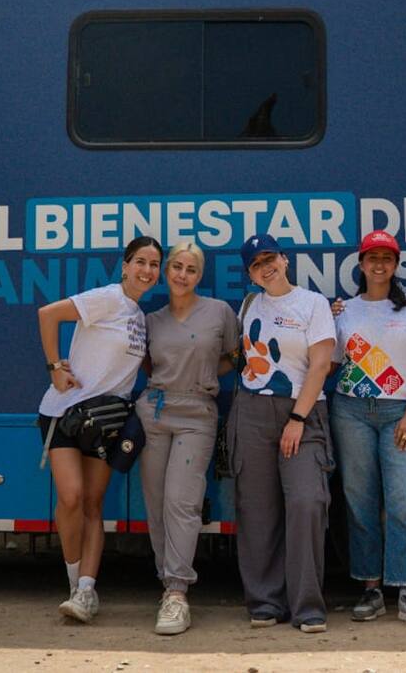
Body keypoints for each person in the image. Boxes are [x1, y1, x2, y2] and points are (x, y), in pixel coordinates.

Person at [36, 235, 162, 622]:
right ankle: (74, 580)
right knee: (71, 496)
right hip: (64, 412)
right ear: (125, 266)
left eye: (154, 265)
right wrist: (55, 367)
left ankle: (86, 592)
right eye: (140, 262)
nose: (147, 270)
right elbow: (47, 314)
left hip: (107, 420)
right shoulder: (108, 298)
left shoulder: (139, 317)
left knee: (93, 503)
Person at [330, 230, 406, 626]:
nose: (379, 264)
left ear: (395, 265)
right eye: (372, 258)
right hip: (351, 411)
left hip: (400, 412)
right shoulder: (344, 311)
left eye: (387, 258)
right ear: (361, 265)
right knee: (360, 502)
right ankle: (371, 589)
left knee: (403, 501)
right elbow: (330, 363)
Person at [229, 233, 337, 633]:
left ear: (284, 259)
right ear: (250, 274)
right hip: (251, 412)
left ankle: (307, 605)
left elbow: (321, 365)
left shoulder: (313, 304)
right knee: (257, 510)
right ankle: (265, 602)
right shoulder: (248, 305)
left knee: (308, 501)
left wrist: (297, 418)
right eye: (256, 264)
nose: (266, 267)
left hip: (302, 413)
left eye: (270, 258)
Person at [138, 241, 240, 635]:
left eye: (191, 269)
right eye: (176, 267)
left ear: (200, 275)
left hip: (197, 413)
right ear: (166, 272)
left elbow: (235, 355)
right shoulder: (152, 320)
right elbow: (147, 364)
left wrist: (205, 373)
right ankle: (166, 583)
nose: (182, 275)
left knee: (182, 502)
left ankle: (178, 593)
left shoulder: (219, 312)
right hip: (155, 411)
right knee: (156, 504)